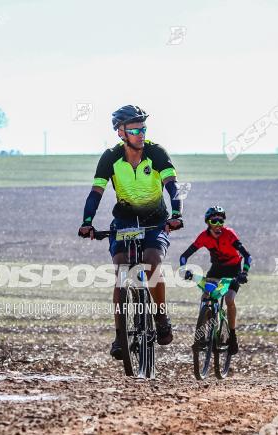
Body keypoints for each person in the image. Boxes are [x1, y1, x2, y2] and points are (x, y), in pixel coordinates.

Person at [78, 105, 184, 359]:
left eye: (143, 128)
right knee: (121, 271)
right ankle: (119, 336)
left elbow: (173, 186)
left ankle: (160, 316)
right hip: (124, 222)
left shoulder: (156, 153)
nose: (141, 134)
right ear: (120, 133)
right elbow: (96, 192)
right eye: (135, 129)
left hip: (155, 221)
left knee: (151, 261)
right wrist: (87, 221)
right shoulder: (110, 158)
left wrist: (177, 214)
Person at [178, 205, 252, 355]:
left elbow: (247, 256)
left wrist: (244, 272)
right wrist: (184, 269)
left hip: (234, 270)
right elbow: (184, 256)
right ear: (208, 223)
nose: (218, 225)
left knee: (229, 299)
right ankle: (202, 336)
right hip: (217, 269)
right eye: (214, 221)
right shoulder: (204, 237)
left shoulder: (229, 234)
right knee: (206, 295)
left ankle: (232, 336)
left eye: (221, 221)